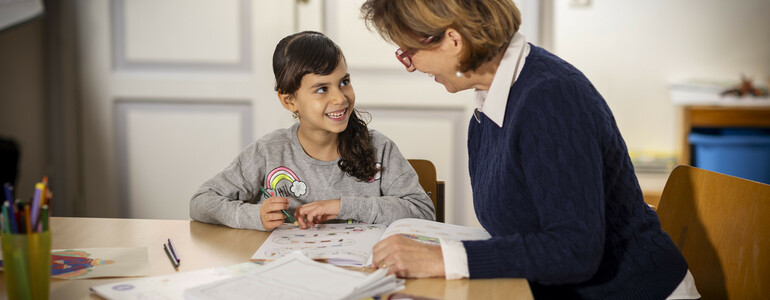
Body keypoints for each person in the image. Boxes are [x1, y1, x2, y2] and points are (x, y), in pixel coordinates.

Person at [361, 0, 700, 299]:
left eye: (409, 52)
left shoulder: (550, 98)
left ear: (453, 40)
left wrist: (443, 258)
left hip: (630, 292)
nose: (411, 66)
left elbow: (575, 249)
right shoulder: (489, 107)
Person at [190, 31, 435, 231]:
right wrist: (254, 215)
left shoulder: (380, 148)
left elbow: (423, 212)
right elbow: (201, 201)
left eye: (344, 82)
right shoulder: (268, 151)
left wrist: (341, 207)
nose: (340, 98)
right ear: (289, 101)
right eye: (321, 89)